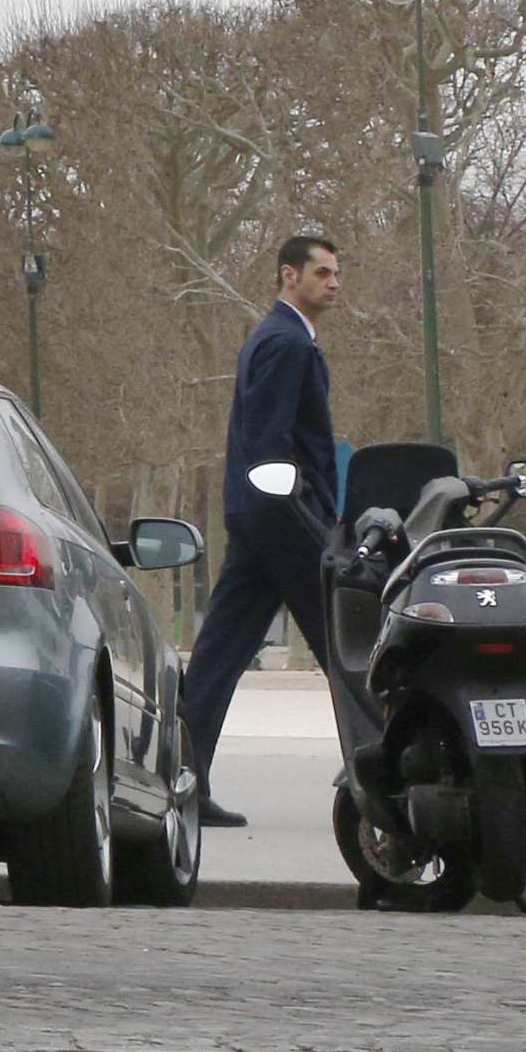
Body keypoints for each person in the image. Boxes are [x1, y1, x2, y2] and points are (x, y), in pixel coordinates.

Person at [174, 233, 345, 826]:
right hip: (283, 516)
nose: (333, 282)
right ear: (287, 275)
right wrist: (309, 510)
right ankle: (380, 778)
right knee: (348, 647)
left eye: (335, 273)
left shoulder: (274, 337)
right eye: (321, 272)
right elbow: (272, 439)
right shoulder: (287, 343)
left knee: (218, 656)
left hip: (258, 512)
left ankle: (182, 784)